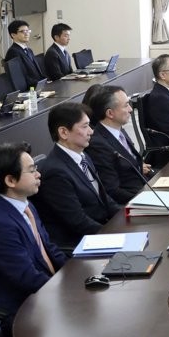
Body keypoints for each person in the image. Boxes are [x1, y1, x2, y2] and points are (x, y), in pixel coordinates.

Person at [0, 142, 67, 337]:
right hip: (22, 306)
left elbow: (48, 248)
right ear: (10, 180)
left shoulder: (25, 205)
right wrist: (66, 293)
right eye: (32, 170)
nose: (38, 174)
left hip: (45, 287)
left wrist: (72, 274)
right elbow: (27, 278)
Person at [31, 102, 119, 251]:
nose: (91, 131)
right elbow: (78, 222)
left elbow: (103, 197)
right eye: (85, 127)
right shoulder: (55, 172)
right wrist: (115, 234)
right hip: (79, 243)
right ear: (64, 132)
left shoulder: (83, 156)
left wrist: (126, 215)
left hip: (99, 229)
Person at [86, 85, 153, 204]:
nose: (131, 109)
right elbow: (113, 190)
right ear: (110, 113)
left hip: (146, 186)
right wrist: (147, 199)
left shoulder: (118, 129)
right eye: (126, 105)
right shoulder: (97, 144)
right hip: (133, 201)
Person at [5, 20, 43, 88]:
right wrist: (38, 85)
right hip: (29, 89)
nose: (27, 34)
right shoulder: (13, 52)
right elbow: (21, 76)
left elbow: (36, 72)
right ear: (13, 35)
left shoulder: (29, 50)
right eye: (23, 31)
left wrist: (45, 81)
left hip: (38, 85)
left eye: (28, 31)